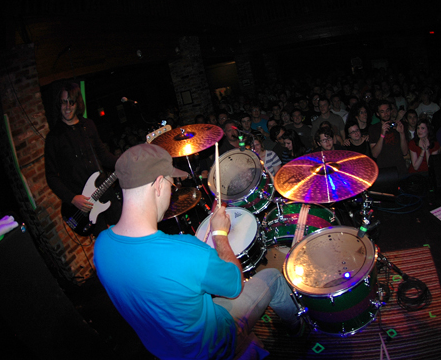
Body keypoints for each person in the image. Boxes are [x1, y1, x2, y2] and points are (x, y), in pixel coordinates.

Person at [94, 144, 303, 360]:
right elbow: (234, 285)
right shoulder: (184, 251)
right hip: (213, 344)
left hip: (165, 351)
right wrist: (220, 234)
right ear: (158, 185)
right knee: (274, 277)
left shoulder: (101, 247)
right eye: (170, 183)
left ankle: (250, 346)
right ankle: (298, 332)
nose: (172, 189)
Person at [44, 81, 122, 236]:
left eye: (71, 102)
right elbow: (51, 176)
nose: (67, 107)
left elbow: (103, 155)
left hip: (104, 189)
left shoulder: (89, 125)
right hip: (84, 204)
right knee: (104, 242)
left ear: (77, 103)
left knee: (125, 229)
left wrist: (122, 162)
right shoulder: (54, 137)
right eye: (63, 102)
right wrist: (72, 199)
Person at [369, 100, 408, 176]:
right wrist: (382, 134)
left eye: (387, 110)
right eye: (382, 112)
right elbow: (374, 154)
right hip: (384, 170)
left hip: (400, 168)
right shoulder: (373, 129)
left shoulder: (400, 125)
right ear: (378, 114)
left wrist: (402, 133)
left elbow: (405, 152)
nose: (386, 114)